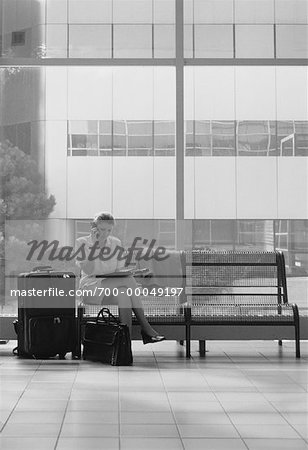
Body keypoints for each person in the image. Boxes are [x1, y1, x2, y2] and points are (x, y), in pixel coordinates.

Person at [75, 212, 165, 344]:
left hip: (111, 286)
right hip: (90, 287)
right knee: (127, 282)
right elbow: (88, 270)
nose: (105, 233)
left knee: (124, 294)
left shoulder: (116, 243)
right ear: (94, 228)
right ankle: (146, 328)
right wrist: (96, 245)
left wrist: (134, 272)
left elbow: (118, 270)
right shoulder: (82, 243)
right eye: (102, 229)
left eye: (109, 230)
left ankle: (124, 343)